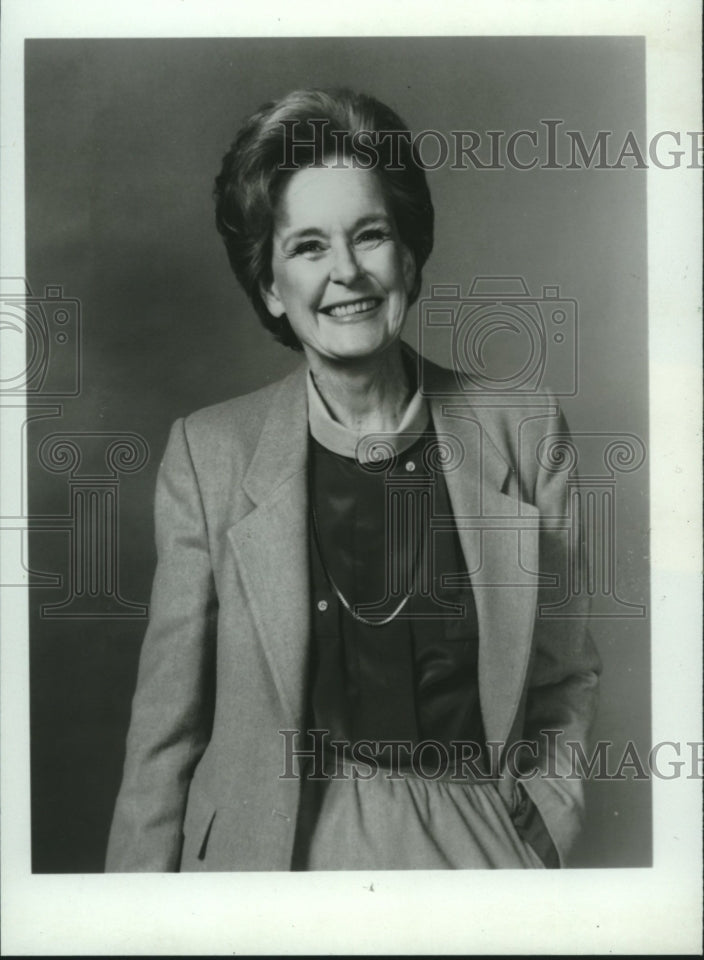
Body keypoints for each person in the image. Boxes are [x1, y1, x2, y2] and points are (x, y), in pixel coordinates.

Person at [106, 87, 600, 872]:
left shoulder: (525, 428)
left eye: (369, 235)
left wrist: (544, 822)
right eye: (307, 247)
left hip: (477, 850)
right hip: (271, 860)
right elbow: (164, 735)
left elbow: (563, 675)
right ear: (270, 285)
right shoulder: (209, 455)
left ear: (407, 255)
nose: (347, 273)